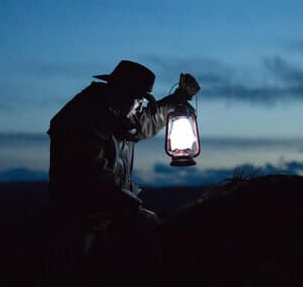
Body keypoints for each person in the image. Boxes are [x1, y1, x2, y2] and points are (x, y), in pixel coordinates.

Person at [46, 60, 200, 225]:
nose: (140, 108)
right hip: (79, 220)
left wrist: (178, 98)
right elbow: (95, 178)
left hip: (110, 211)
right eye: (140, 101)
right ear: (122, 95)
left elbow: (148, 121)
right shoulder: (82, 119)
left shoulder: (116, 114)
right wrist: (134, 210)